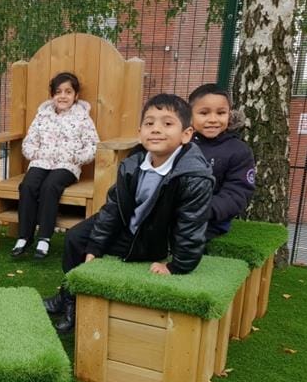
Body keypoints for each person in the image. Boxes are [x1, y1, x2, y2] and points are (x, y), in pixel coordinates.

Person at [44, 93, 214, 333]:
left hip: (153, 237)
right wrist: (94, 247)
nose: (156, 129)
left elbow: (191, 225)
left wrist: (177, 266)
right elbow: (113, 207)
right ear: (139, 132)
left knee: (95, 246)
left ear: (186, 134)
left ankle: (75, 305)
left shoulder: (193, 176)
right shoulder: (133, 163)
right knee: (76, 239)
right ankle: (69, 296)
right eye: (149, 123)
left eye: (167, 123)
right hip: (128, 225)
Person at [12, 72, 100, 259]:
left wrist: (75, 158)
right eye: (58, 91)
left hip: (67, 166)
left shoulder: (82, 118)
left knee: (50, 186)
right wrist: (34, 154)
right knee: (28, 185)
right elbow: (29, 141)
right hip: (41, 161)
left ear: (76, 96)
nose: (63, 96)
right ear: (52, 95)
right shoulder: (42, 116)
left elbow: (93, 145)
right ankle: (24, 236)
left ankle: (44, 237)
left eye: (68, 92)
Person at [188, 83, 255, 239]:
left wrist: (205, 210)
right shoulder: (180, 144)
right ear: (190, 116)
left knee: (184, 237)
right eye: (204, 113)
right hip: (174, 212)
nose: (213, 119)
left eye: (220, 113)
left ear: (229, 114)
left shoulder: (239, 151)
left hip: (212, 220)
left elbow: (237, 192)